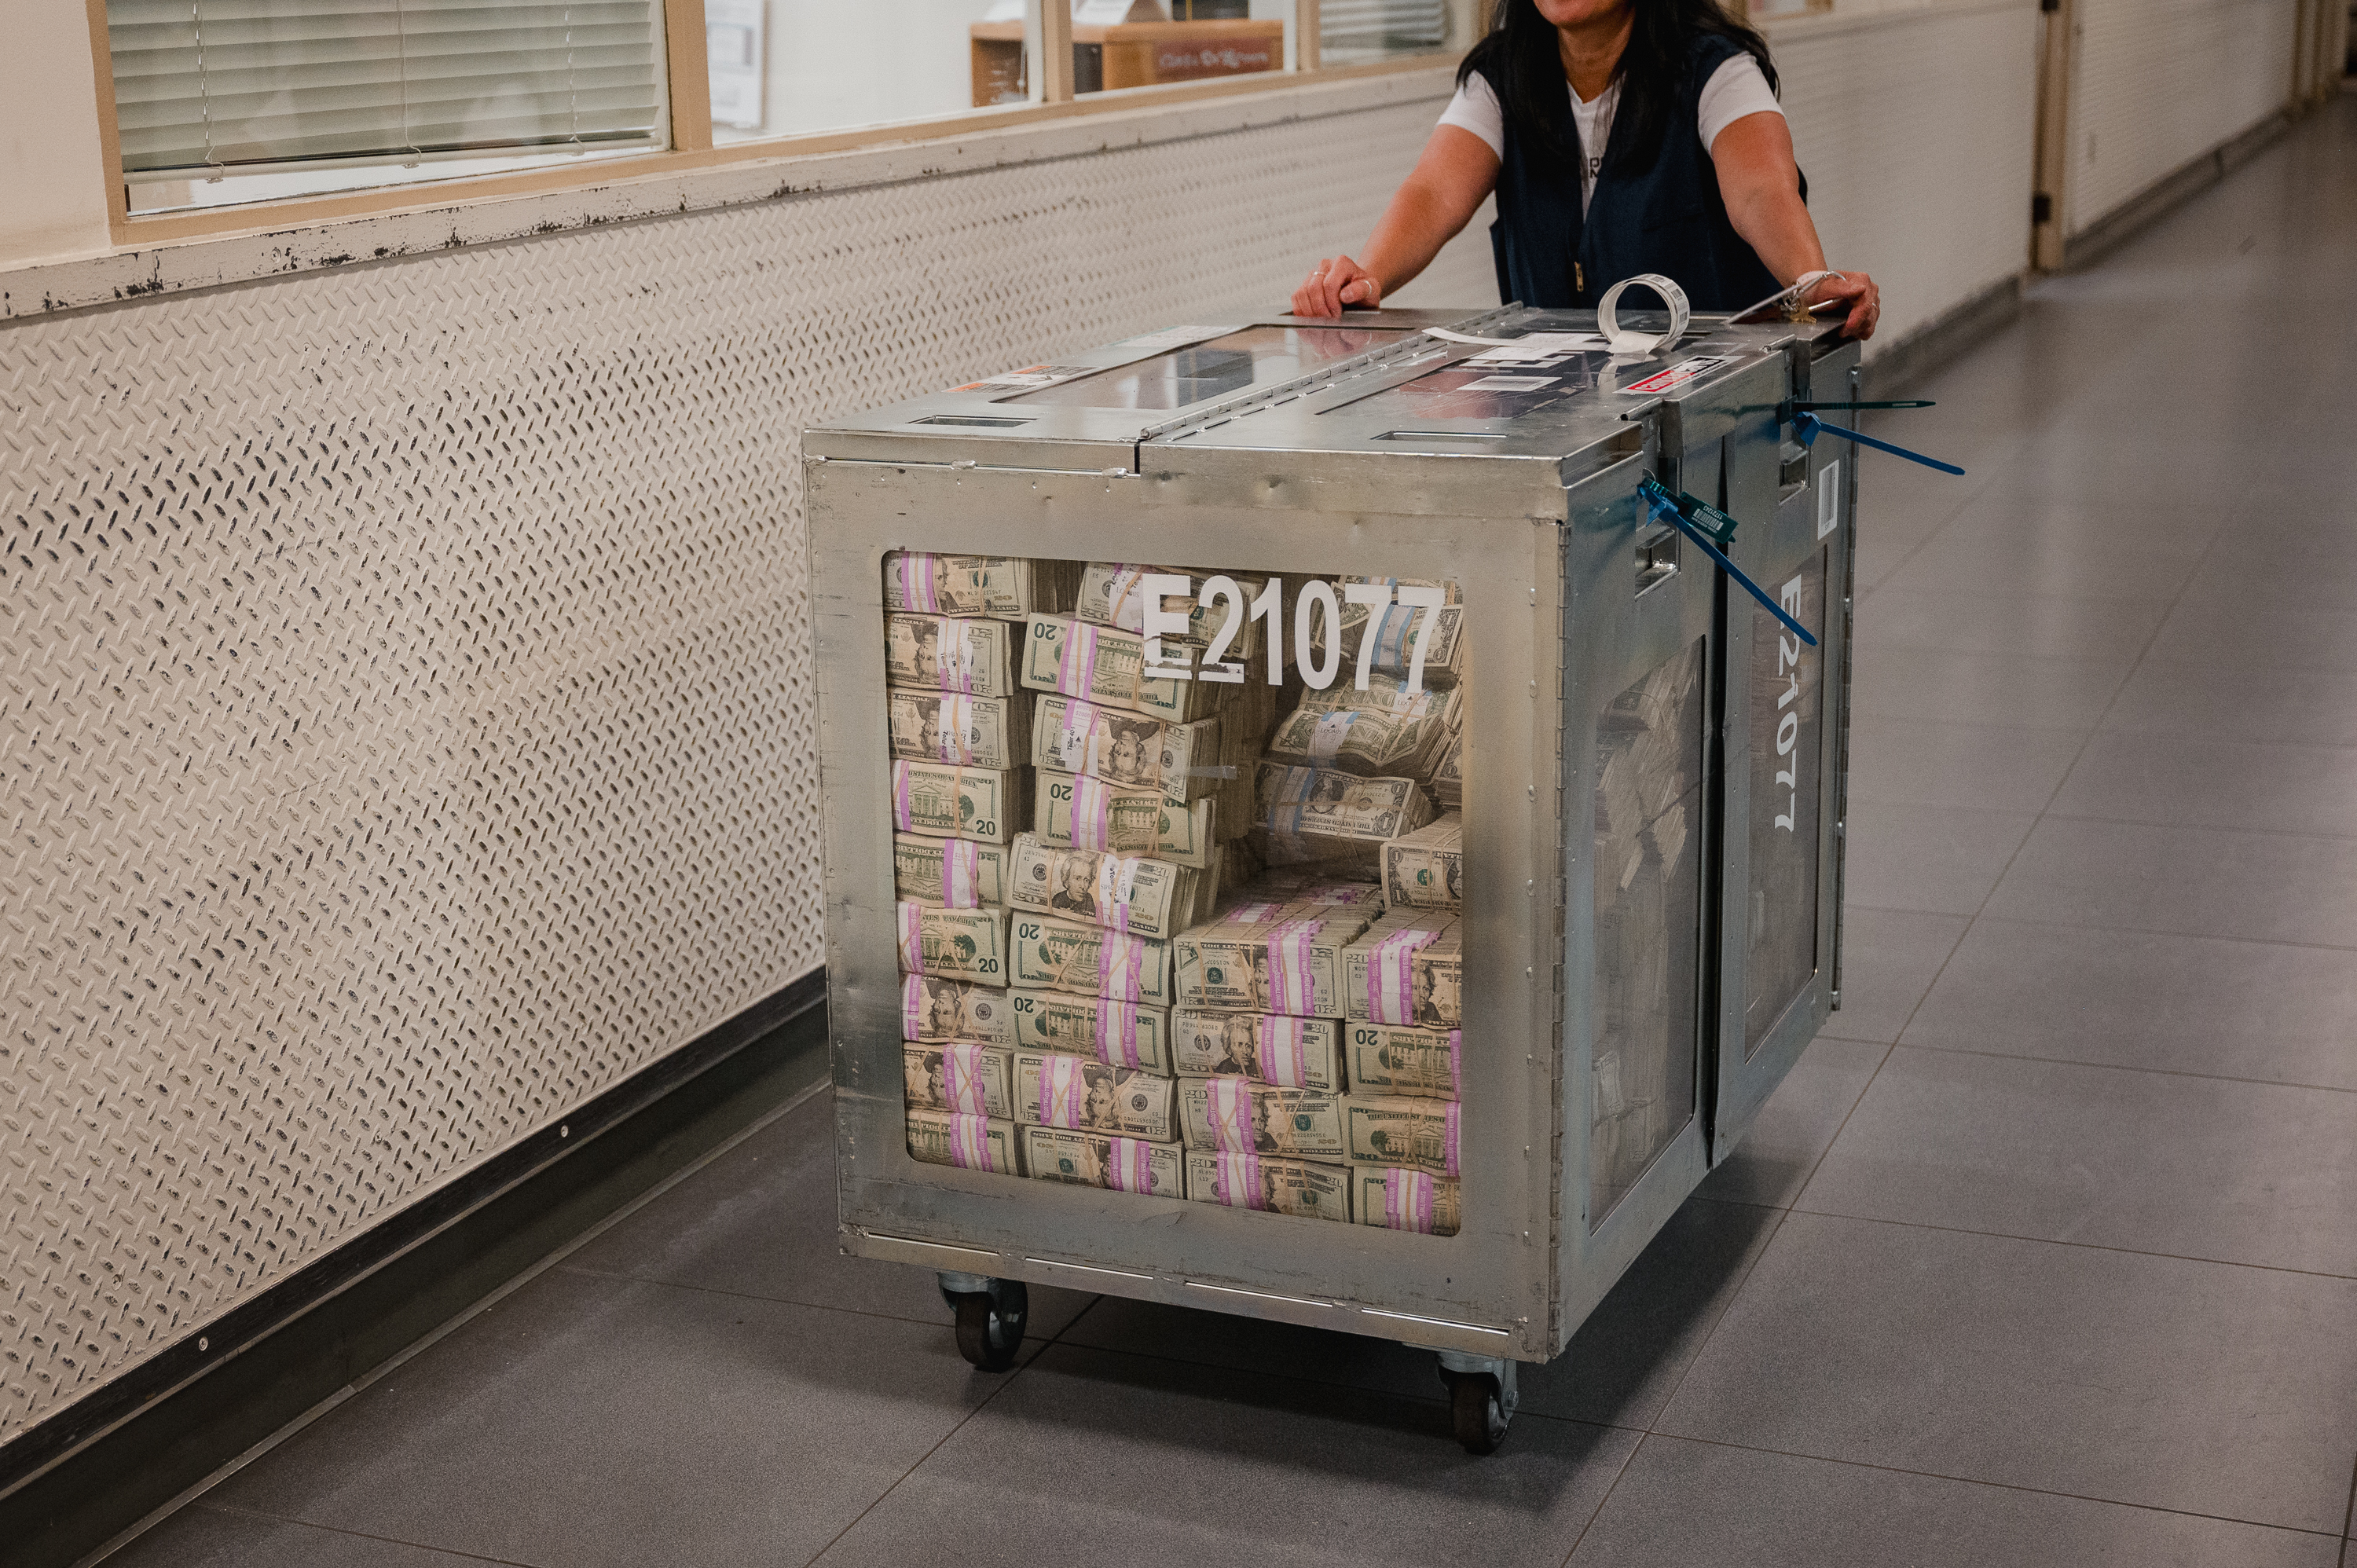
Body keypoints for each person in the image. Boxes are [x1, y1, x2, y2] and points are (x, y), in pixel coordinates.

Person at [1290, 0, 1879, 337]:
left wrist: (1811, 280)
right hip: (1572, 410)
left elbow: (1760, 191)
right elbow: (1435, 191)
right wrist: (1369, 277)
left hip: (1703, 399)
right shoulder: (1503, 76)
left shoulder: (1714, 70)